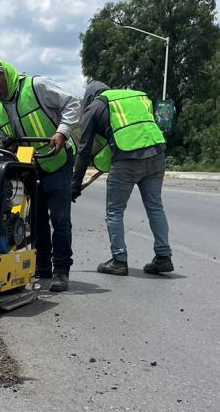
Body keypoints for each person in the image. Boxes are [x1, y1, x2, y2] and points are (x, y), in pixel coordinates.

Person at [0, 58, 80, 293]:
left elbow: (73, 104)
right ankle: (42, 267)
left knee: (60, 218)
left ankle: (61, 271)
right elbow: (1, 136)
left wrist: (62, 132)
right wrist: (8, 146)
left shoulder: (37, 86)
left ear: (5, 74)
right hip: (30, 166)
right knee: (36, 219)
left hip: (58, 161)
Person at [72, 80, 173, 276]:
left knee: (115, 211)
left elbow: (84, 150)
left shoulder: (95, 107)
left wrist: (75, 185)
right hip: (157, 154)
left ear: (90, 98)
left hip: (127, 160)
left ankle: (119, 260)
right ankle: (163, 256)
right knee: (155, 206)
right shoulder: (133, 97)